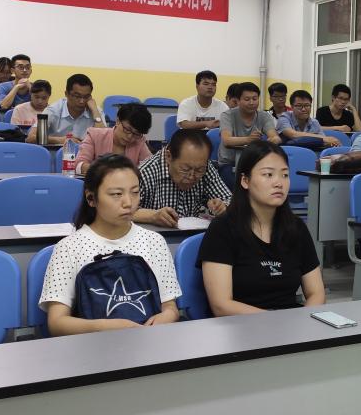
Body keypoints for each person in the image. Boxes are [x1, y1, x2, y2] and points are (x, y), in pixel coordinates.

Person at [38, 154, 181, 335]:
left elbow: (170, 306)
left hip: (150, 340)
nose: (128, 203)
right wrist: (107, 328)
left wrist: (167, 317)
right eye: (116, 194)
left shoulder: (155, 241)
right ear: (91, 198)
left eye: (135, 192)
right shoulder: (68, 248)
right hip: (93, 345)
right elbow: (57, 323)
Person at [198, 141, 325, 315]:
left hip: (290, 323)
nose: (279, 183)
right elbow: (221, 305)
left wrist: (304, 321)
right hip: (239, 325)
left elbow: (316, 293)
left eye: (285, 175)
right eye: (268, 174)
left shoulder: (296, 228)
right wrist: (274, 323)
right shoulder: (222, 229)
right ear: (245, 180)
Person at [134, 128, 231, 228]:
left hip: (192, 234)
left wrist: (222, 207)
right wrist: (152, 216)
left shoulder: (203, 166)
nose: (192, 176)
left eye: (199, 170)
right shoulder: (145, 172)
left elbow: (229, 199)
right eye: (185, 169)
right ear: (169, 157)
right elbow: (125, 209)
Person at [218, 82, 280, 187]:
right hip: (229, 164)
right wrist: (249, 139)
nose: (251, 103)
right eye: (247, 99)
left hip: (255, 163)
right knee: (237, 188)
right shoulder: (227, 115)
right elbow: (227, 140)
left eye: (255, 99)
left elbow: (275, 136)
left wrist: (273, 140)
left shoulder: (264, 116)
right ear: (238, 101)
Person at [75, 102, 153, 175]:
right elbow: (79, 165)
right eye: (127, 129)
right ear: (118, 121)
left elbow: (151, 168)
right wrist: (106, 171)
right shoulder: (95, 135)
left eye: (136, 134)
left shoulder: (139, 141)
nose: (130, 137)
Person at [25, 74, 104, 144]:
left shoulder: (96, 111)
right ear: (66, 94)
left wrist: (95, 111)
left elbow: (104, 139)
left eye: (86, 97)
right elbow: (31, 138)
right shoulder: (52, 110)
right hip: (56, 153)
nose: (82, 101)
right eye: (77, 96)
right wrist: (59, 140)